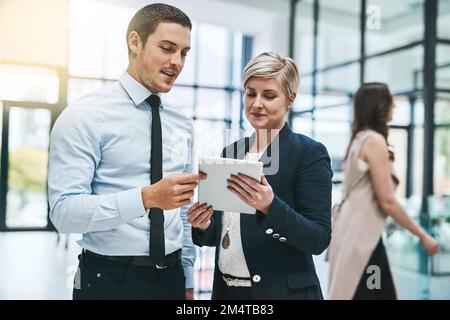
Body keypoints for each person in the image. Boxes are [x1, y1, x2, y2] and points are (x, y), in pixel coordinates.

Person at [48, 3, 204, 300]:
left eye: (184, 53)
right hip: (108, 279)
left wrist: (187, 279)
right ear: (135, 42)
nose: (177, 62)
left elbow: (182, 212)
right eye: (167, 48)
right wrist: (146, 198)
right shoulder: (85, 116)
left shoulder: (181, 124)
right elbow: (64, 214)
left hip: (172, 278)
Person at [187, 52, 332, 300]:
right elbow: (222, 234)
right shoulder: (232, 151)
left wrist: (270, 206)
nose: (256, 103)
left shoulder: (309, 153)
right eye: (250, 93)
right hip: (228, 293)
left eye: (269, 95)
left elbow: (318, 239)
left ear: (290, 98)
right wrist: (203, 226)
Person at [326, 83, 439, 300]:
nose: (394, 105)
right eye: (390, 101)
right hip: (363, 239)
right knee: (373, 293)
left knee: (373, 292)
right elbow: (387, 201)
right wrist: (423, 235)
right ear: (378, 106)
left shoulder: (358, 139)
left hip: (355, 234)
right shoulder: (374, 141)